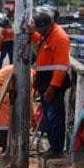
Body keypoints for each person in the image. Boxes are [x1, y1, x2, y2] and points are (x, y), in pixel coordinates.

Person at [31, 11, 71, 159]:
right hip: (45, 82)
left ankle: (56, 149)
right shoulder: (48, 35)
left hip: (53, 84)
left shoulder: (60, 38)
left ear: (49, 25)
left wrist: (53, 87)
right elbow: (40, 43)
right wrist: (31, 34)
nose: (39, 33)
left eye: (40, 30)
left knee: (54, 116)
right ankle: (53, 146)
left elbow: (61, 66)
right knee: (48, 116)